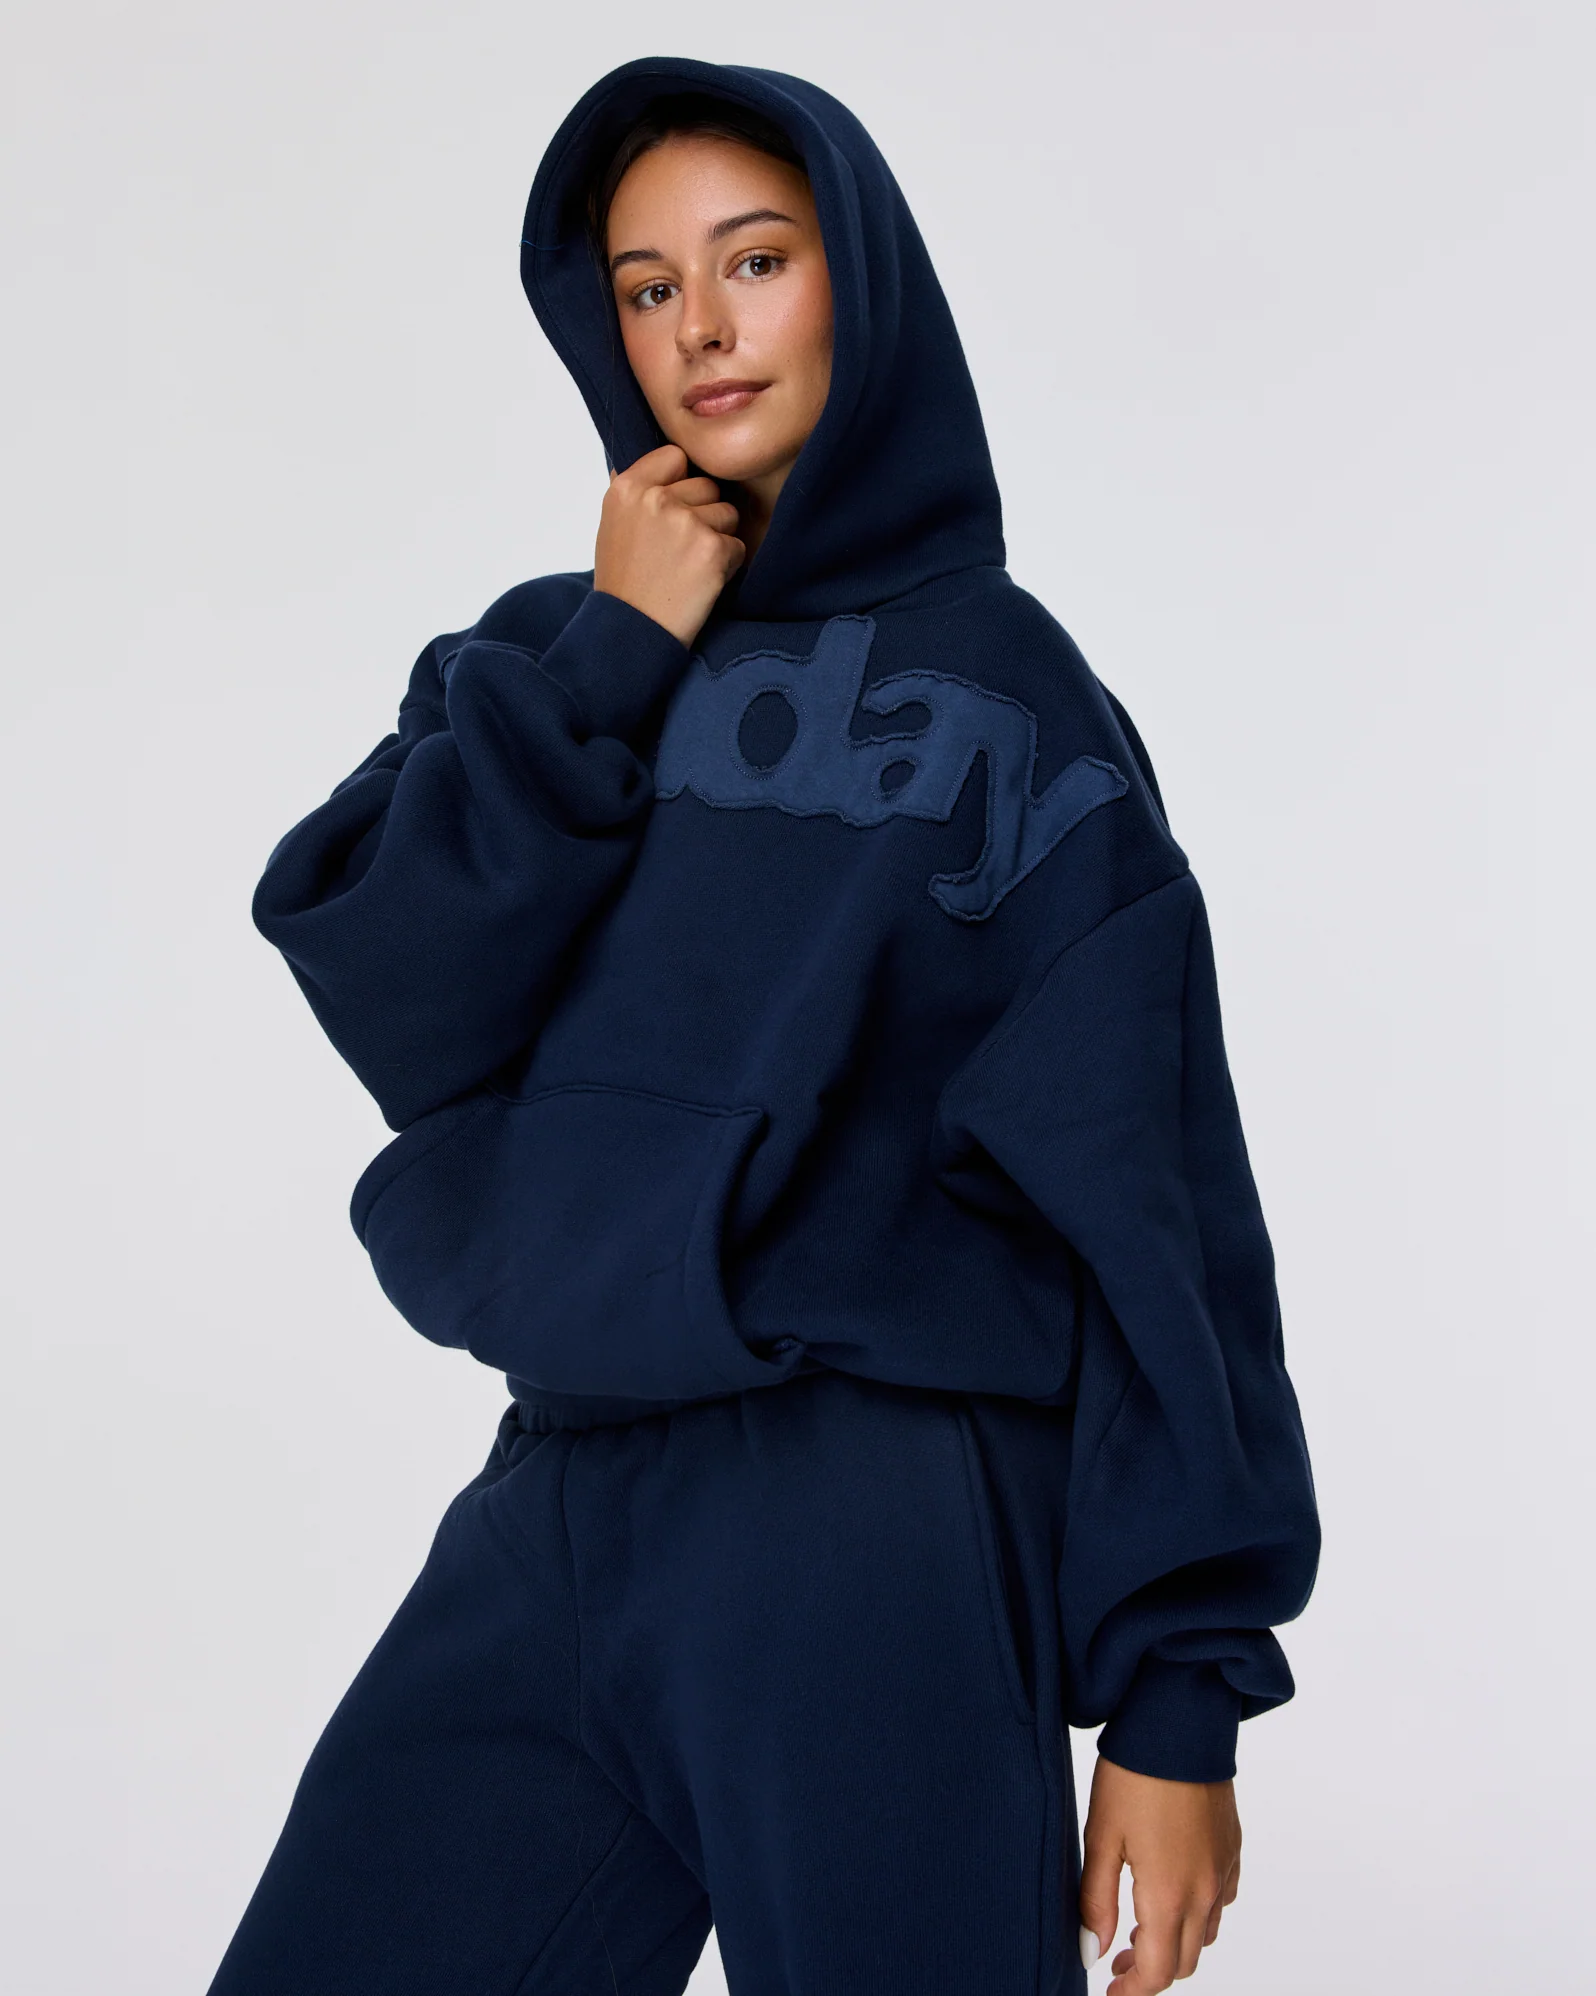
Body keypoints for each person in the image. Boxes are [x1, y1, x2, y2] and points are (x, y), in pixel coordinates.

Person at [209, 56, 1319, 1996]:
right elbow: (389, 980)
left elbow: (1156, 1198)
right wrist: (619, 648)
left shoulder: (1007, 692)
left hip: (869, 1509)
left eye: (754, 259)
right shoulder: (547, 652)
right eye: (647, 285)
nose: (701, 328)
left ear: (858, 279)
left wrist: (1178, 1690)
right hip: (558, 1480)